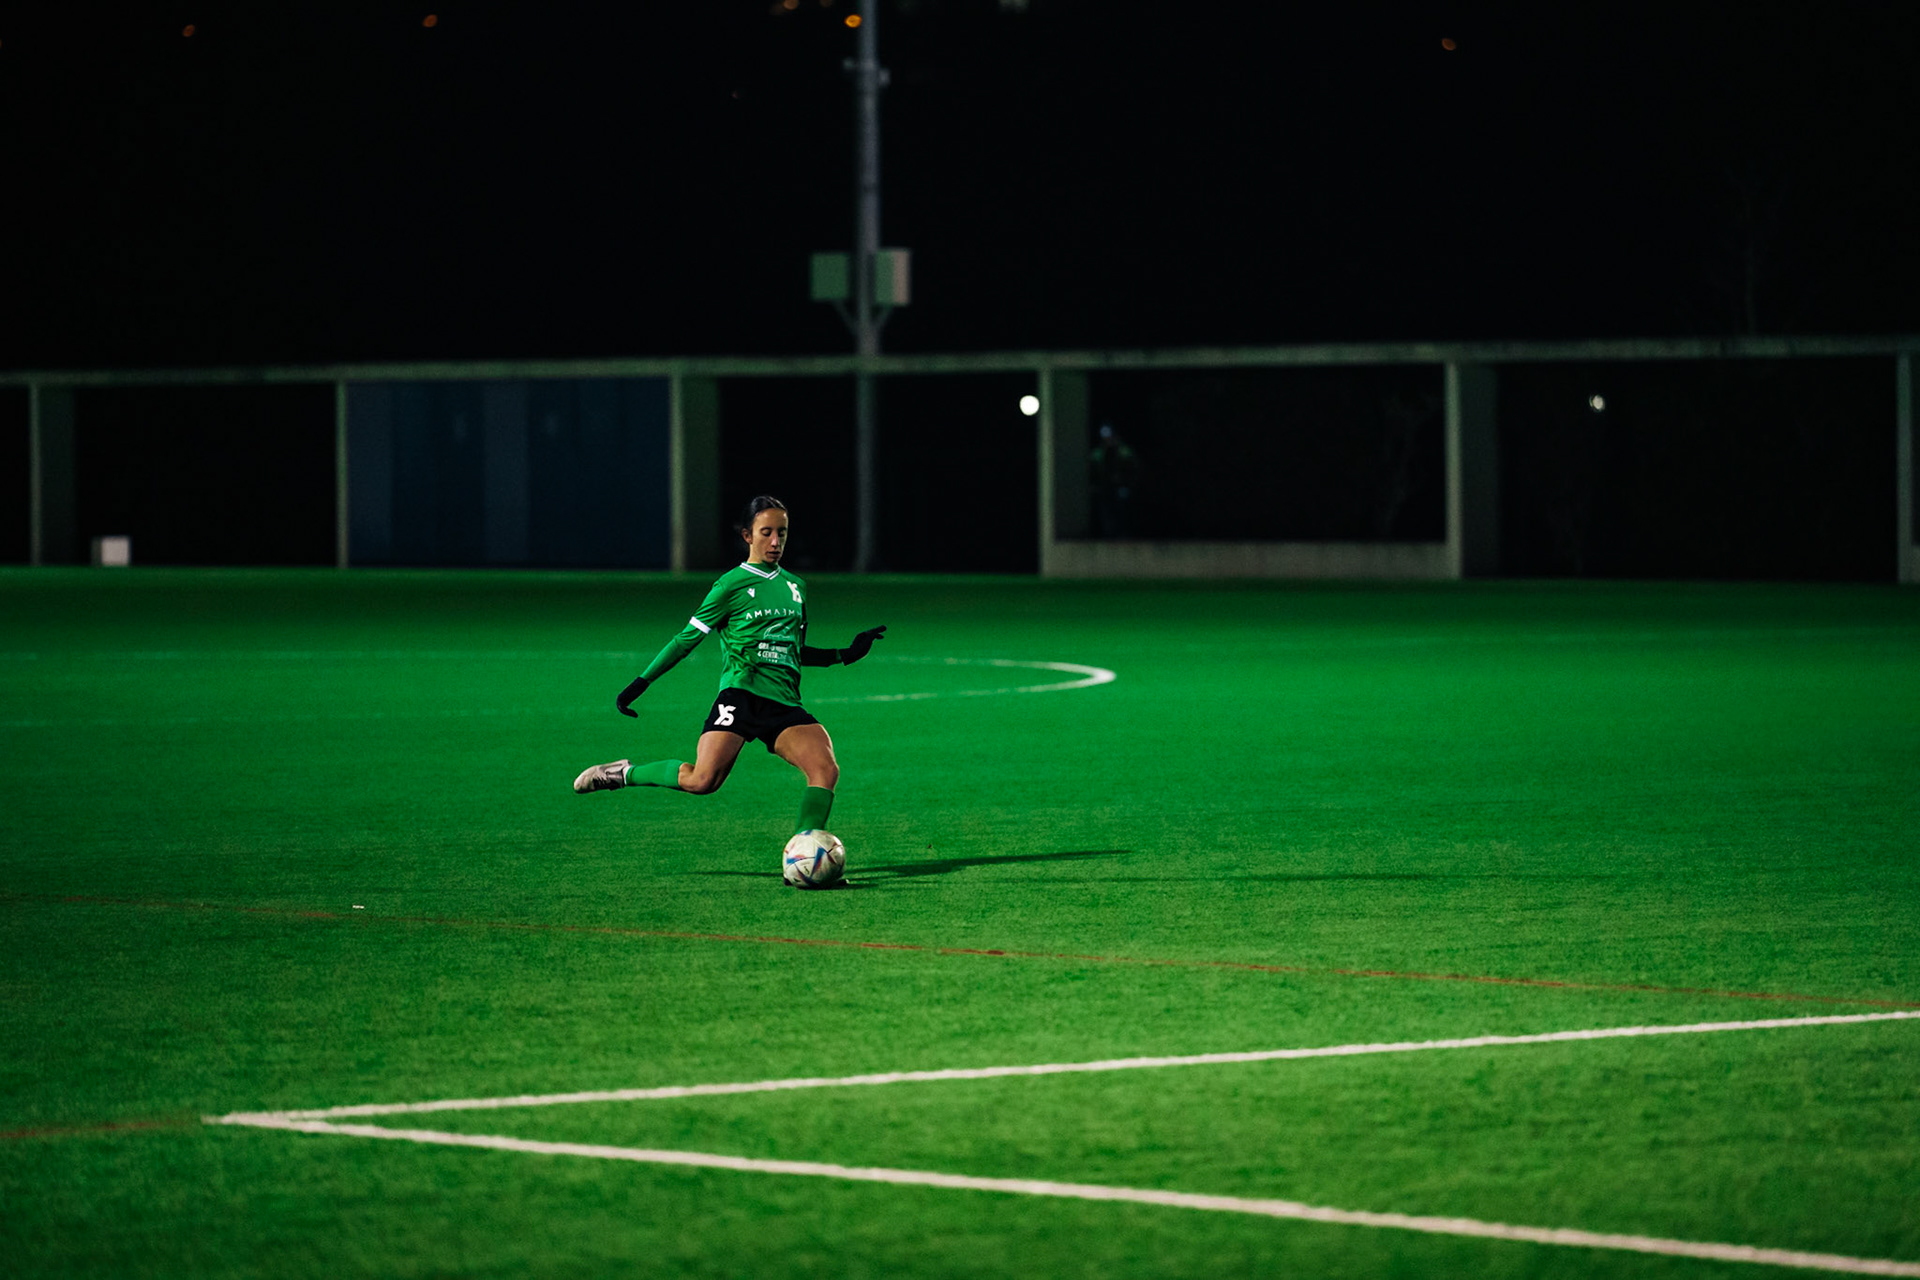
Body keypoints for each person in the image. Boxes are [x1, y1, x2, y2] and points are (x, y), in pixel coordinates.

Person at [571, 495, 886, 850]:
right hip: (741, 696)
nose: (775, 541)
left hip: (783, 703)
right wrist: (639, 683)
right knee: (702, 780)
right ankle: (621, 774)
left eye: (781, 533)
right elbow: (685, 640)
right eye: (765, 532)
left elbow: (790, 651)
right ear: (746, 535)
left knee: (825, 770)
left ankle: (803, 853)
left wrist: (845, 654)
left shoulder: (797, 587)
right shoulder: (729, 585)